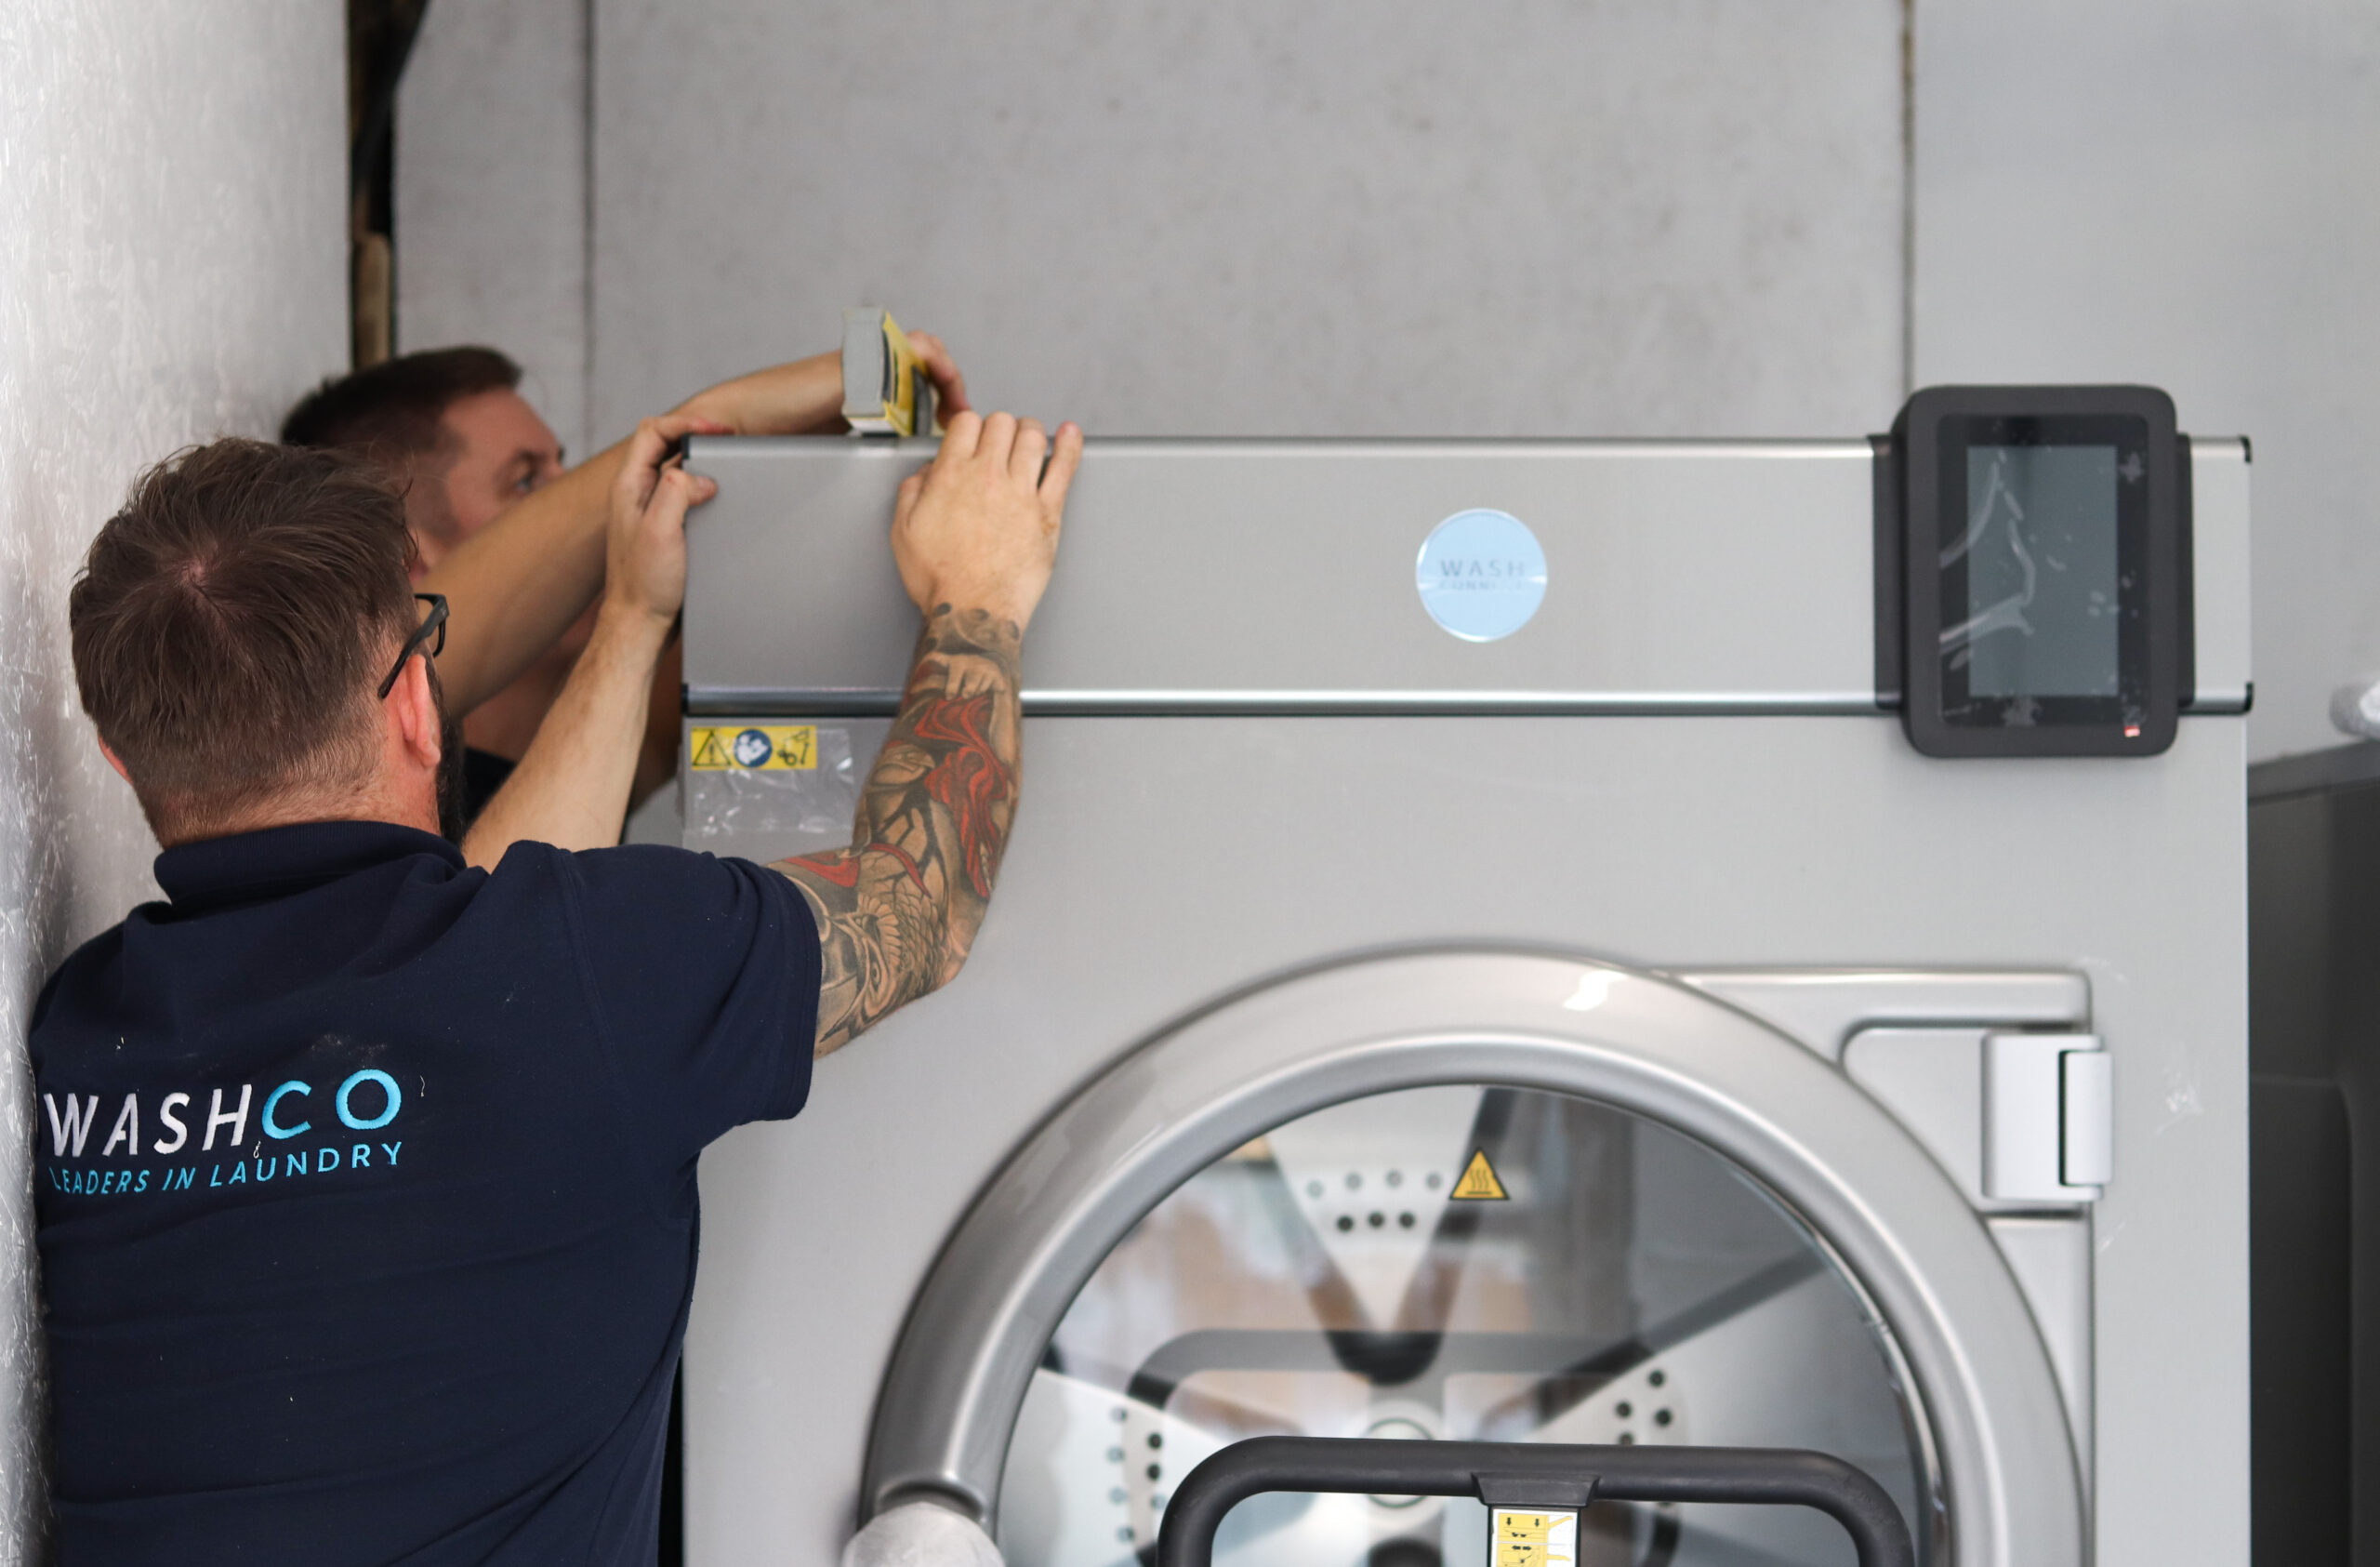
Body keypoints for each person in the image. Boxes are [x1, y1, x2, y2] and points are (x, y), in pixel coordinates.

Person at [33, 398, 1081, 1560]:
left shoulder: (81, 1031)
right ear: (422, 709)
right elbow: (917, 905)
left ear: (122, 753)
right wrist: (977, 596)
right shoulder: (578, 971)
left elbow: (473, 980)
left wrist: (633, 622)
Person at [280, 339, 972, 824]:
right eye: (527, 482)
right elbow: (429, 649)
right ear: (408, 561)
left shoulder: (613, 717)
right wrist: (717, 416)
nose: (583, 500)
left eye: (564, 469)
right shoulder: (366, 777)